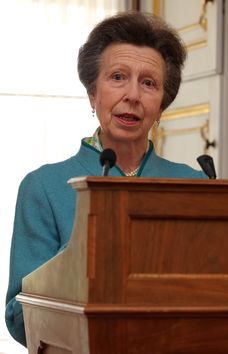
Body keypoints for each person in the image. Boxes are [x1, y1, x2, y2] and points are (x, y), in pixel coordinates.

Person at [5, 11, 207, 347]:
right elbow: (17, 316)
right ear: (92, 94)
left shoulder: (195, 185)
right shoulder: (42, 187)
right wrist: (76, 264)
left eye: (148, 83)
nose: (133, 95)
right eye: (117, 77)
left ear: (162, 105)